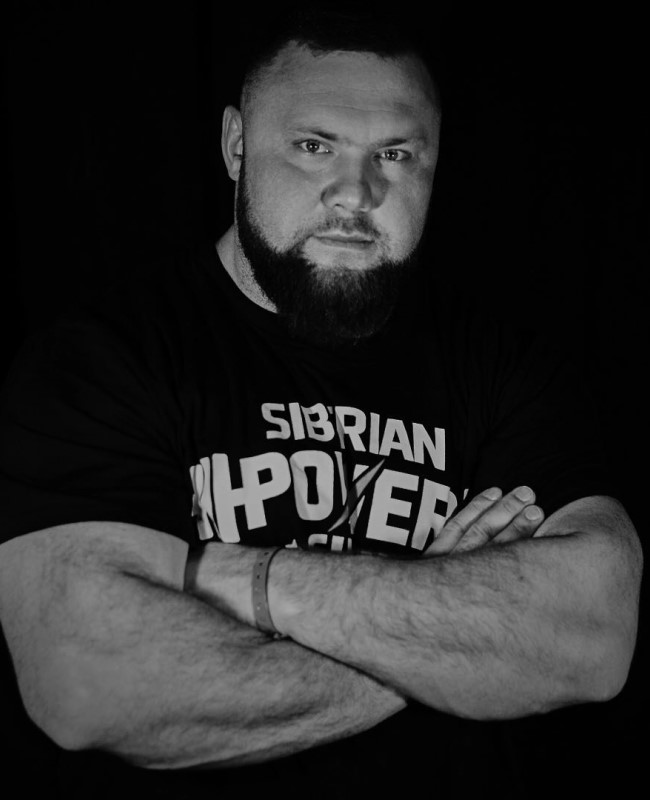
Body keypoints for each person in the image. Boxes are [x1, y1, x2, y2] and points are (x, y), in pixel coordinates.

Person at [0, 6, 643, 797]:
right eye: (314, 147)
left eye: (395, 154)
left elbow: (590, 641)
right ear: (236, 144)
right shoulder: (104, 358)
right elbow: (90, 685)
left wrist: (245, 579)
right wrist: (454, 636)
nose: (356, 193)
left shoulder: (507, 367)